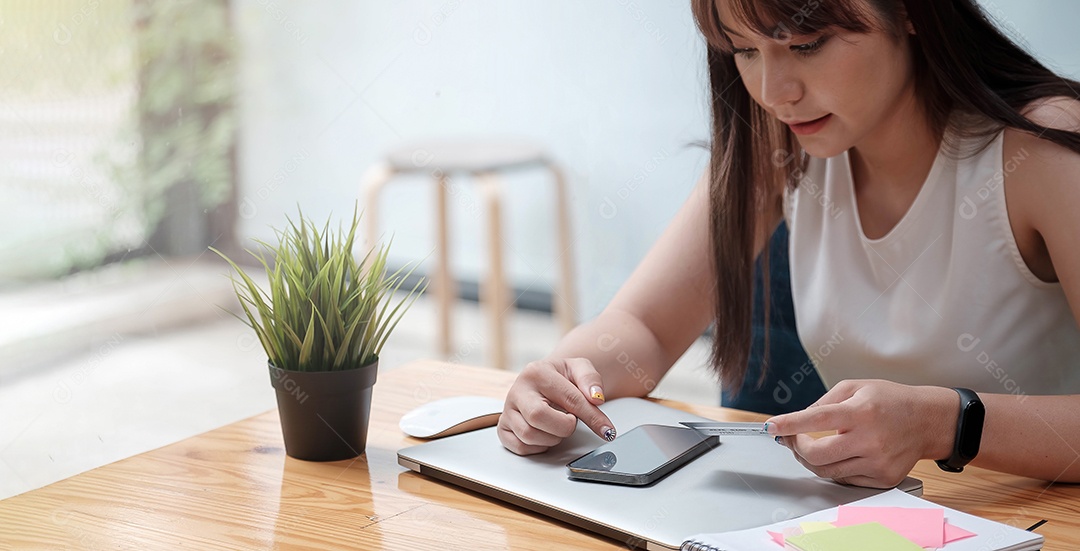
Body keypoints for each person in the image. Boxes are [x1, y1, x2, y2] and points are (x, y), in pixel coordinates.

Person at [497, 0, 1080, 489]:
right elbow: (644, 328)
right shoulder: (782, 146)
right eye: (745, 51)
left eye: (806, 44)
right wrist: (564, 379)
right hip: (885, 519)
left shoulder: (1042, 148)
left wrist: (943, 423)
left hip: (1038, 519)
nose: (775, 92)